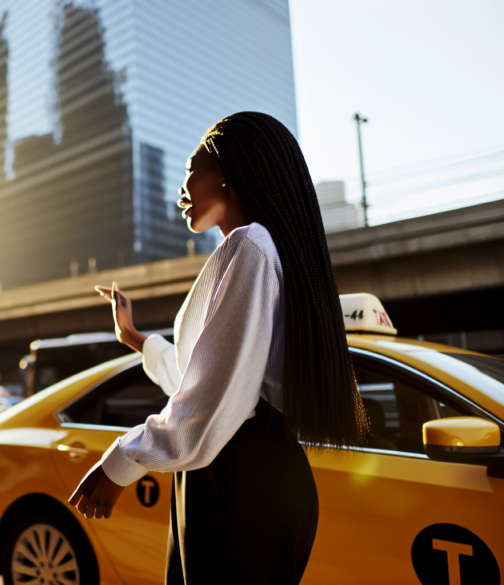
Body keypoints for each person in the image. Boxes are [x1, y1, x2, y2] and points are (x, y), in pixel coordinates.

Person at [68, 112, 368, 584]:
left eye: (192, 170)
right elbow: (208, 379)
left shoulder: (250, 246)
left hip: (236, 485)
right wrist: (134, 337)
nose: (181, 189)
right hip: (251, 480)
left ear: (226, 174)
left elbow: (210, 402)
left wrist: (123, 461)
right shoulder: (259, 249)